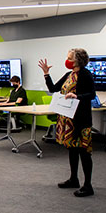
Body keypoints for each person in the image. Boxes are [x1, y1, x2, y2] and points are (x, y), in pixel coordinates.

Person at [39, 48, 96, 197]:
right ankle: (73, 179)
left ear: (78, 60)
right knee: (72, 149)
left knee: (84, 152)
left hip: (80, 120)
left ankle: (88, 185)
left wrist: (76, 95)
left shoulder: (85, 74)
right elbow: (53, 89)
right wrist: (46, 74)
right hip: (67, 119)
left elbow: (91, 94)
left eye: (69, 58)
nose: (67, 60)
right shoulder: (68, 74)